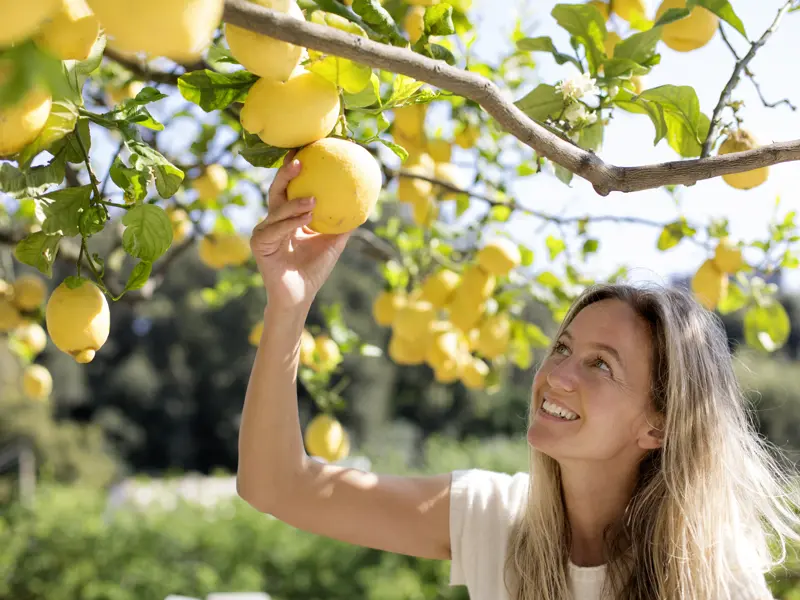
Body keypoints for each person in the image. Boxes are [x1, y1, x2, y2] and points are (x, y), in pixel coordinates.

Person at [238, 151, 800, 600]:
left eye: (600, 364)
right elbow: (275, 487)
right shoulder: (492, 519)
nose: (556, 375)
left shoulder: (713, 580)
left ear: (658, 425)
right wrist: (288, 305)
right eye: (563, 347)